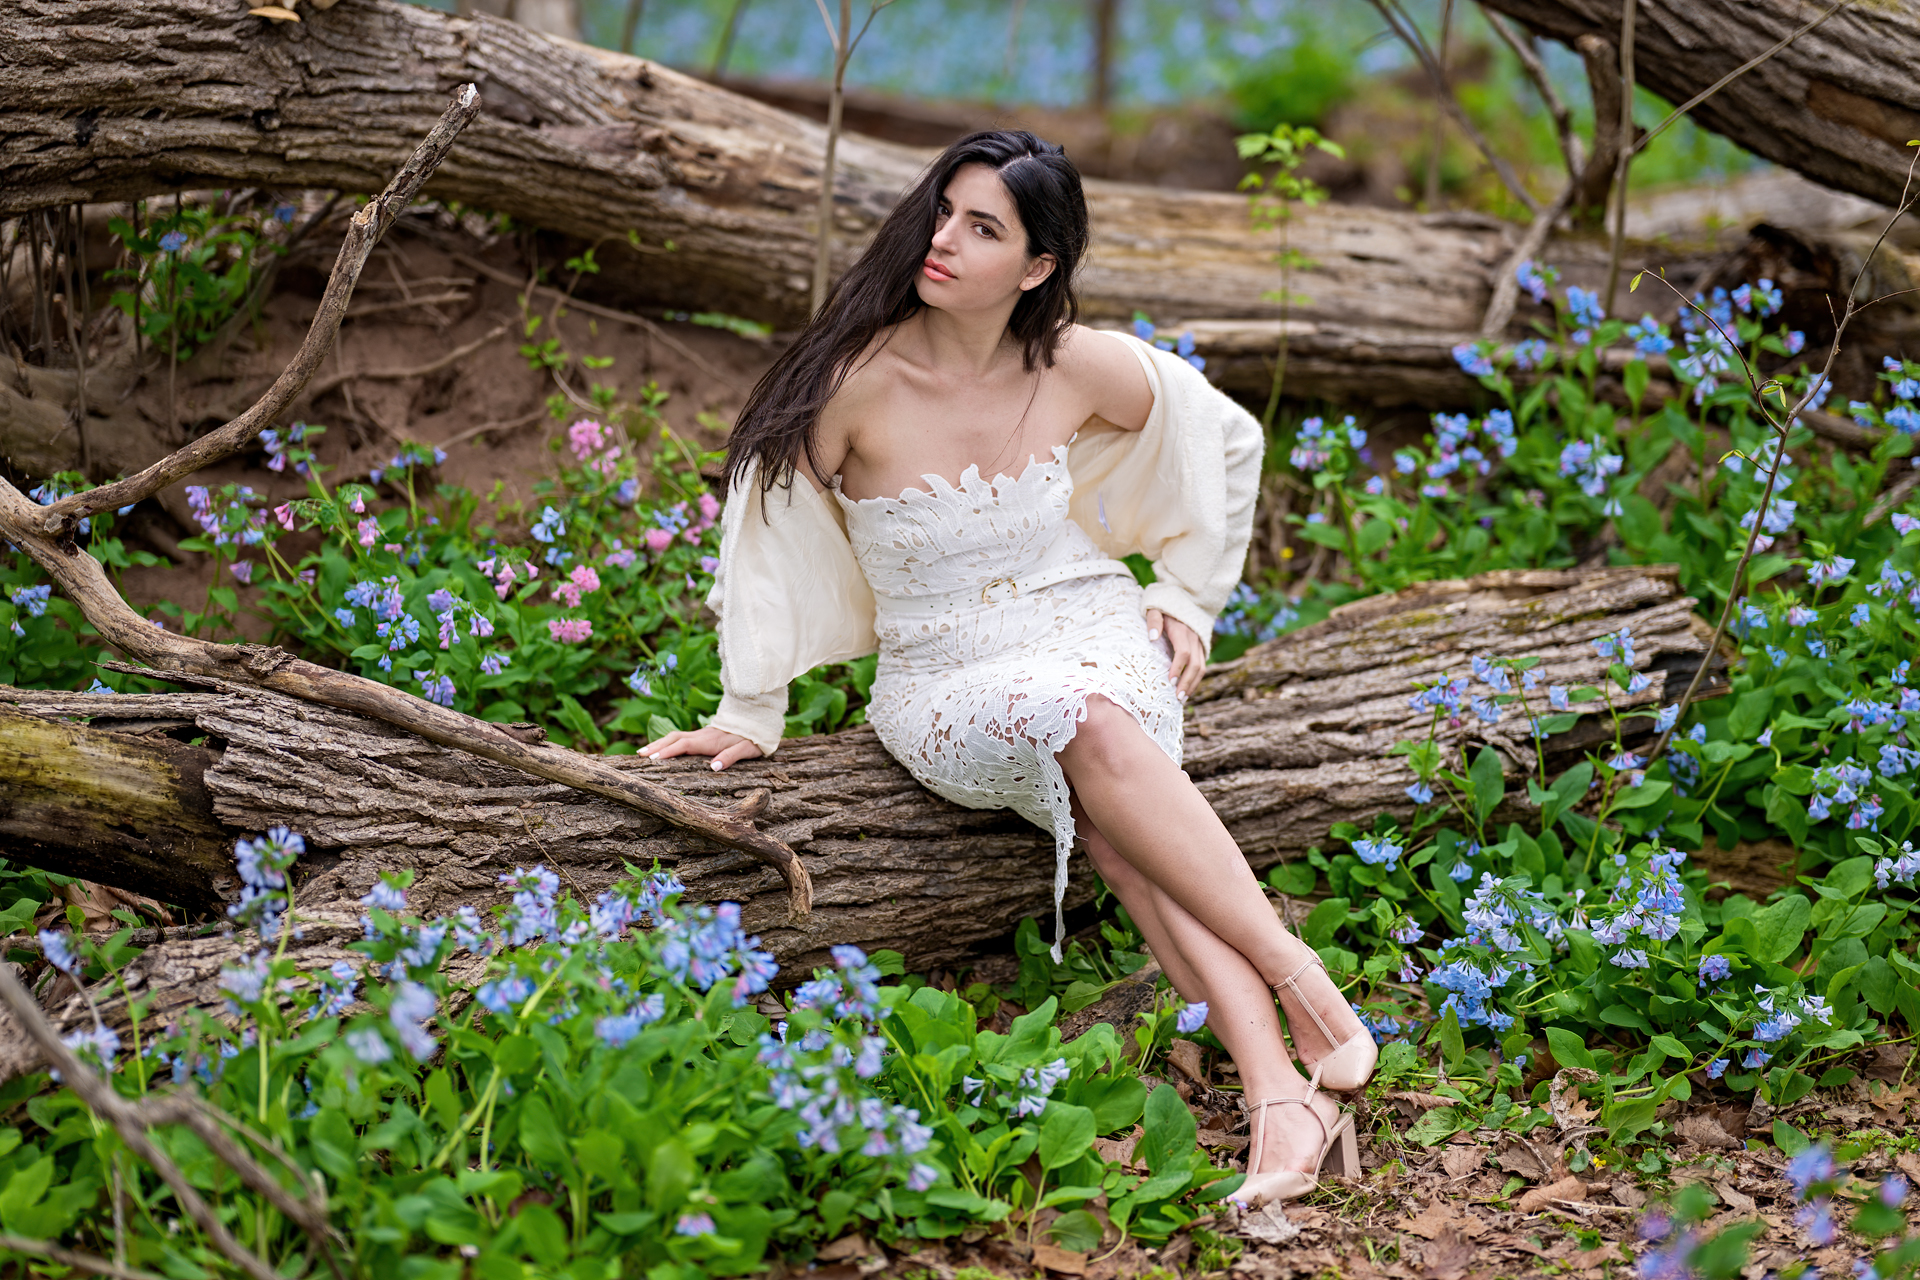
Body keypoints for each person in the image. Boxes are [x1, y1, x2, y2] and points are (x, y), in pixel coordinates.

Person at [640, 129, 1376, 1204]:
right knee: (1089, 731)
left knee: (1119, 813)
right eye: (945, 211)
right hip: (943, 675)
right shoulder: (856, 381)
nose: (943, 239)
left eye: (982, 227)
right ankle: (1306, 987)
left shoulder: (1073, 361)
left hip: (1088, 624)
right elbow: (761, 533)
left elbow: (1226, 436)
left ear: (1036, 267)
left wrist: (1183, 598)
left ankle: (1277, 1090)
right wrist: (751, 704)